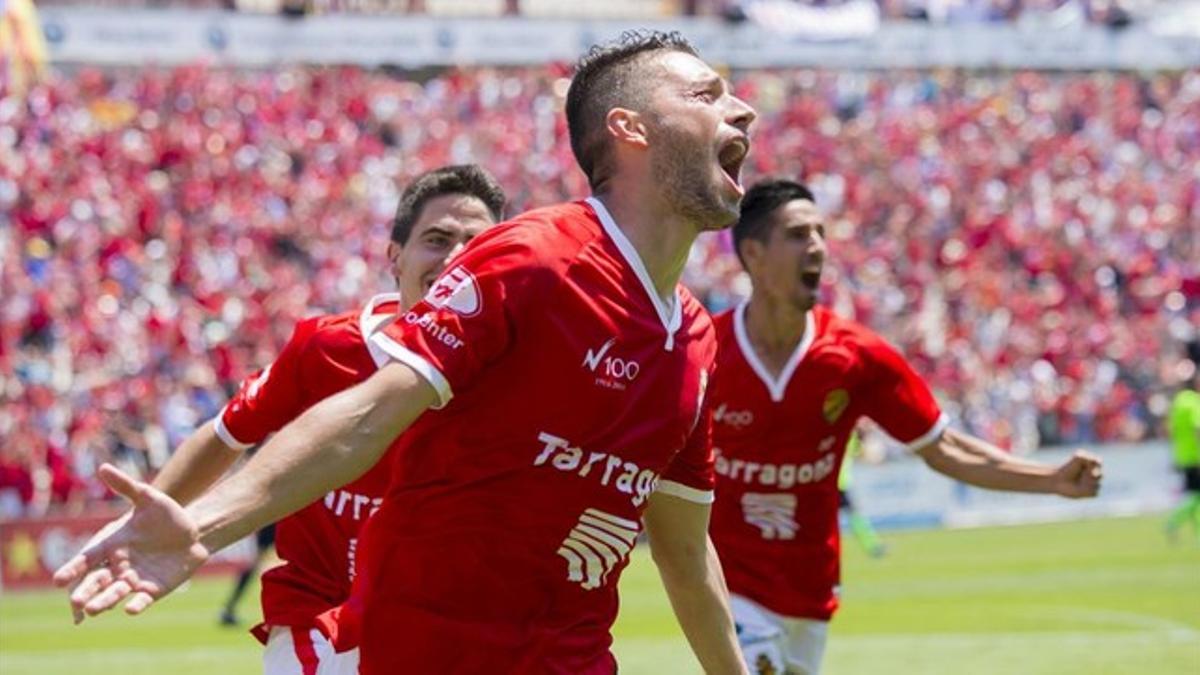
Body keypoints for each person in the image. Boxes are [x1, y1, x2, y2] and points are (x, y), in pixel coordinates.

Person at [55, 30, 756, 675]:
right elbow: (368, 414)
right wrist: (200, 523)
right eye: (706, 94)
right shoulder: (536, 257)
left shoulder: (694, 337)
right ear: (629, 129)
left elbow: (687, 553)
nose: (744, 110)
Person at [706, 179, 1104, 675]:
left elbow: (943, 447)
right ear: (753, 254)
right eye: (797, 233)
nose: (817, 247)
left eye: (821, 232)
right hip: (730, 589)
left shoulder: (857, 357)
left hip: (809, 588)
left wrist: (1048, 480)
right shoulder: (704, 352)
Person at [145, 163, 507, 673]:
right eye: (437, 239)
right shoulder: (326, 349)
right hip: (326, 629)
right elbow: (228, 432)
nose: (454, 258)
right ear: (394, 258)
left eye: (475, 244)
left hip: (461, 630)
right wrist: (149, 518)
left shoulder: (519, 369)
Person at [836, 431, 885, 559]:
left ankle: (872, 545)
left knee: (853, 515)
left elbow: (860, 452)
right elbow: (862, 453)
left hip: (839, 484)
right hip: (838, 484)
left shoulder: (846, 437)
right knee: (854, 515)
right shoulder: (849, 437)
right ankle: (872, 546)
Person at [1165, 368, 1200, 542]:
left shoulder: (1178, 402)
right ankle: (1174, 521)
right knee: (1196, 496)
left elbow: (1171, 429)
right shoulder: (1194, 401)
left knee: (1194, 494)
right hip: (1196, 455)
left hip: (1182, 454)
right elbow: (1197, 427)